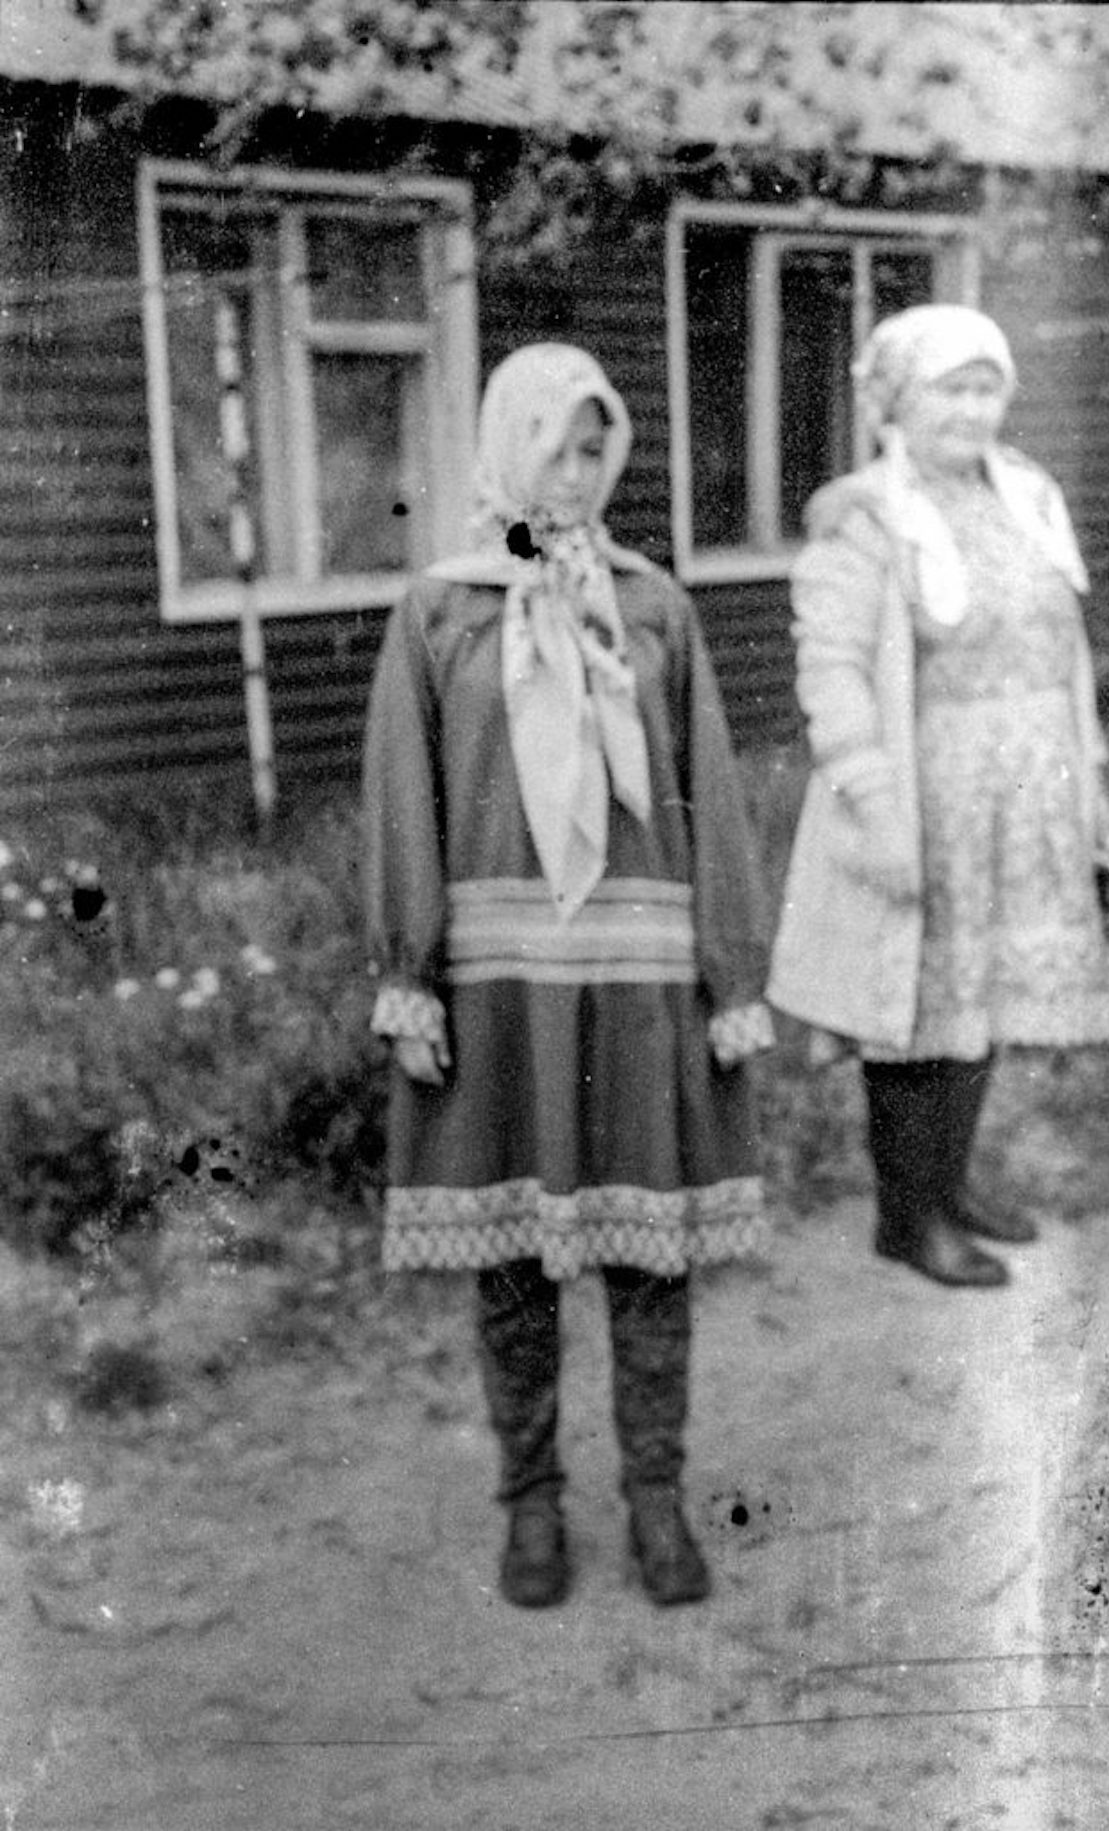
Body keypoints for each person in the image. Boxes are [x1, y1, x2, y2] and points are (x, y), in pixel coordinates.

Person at [362, 342, 774, 1609]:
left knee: (653, 1265)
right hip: (499, 989)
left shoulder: (653, 605)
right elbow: (405, 799)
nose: (580, 470)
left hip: (640, 979)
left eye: (599, 447)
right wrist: (409, 974)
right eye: (558, 443)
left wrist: (732, 972)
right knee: (517, 1271)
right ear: (508, 446)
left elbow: (706, 796)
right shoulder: (439, 608)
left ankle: (656, 1500)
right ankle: (530, 1507)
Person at [767, 304, 1109, 1290]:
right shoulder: (864, 515)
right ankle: (906, 1214)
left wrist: (1087, 782)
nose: (972, 410)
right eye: (949, 389)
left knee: (984, 998)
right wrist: (875, 805)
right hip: (928, 804)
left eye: (986, 387)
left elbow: (1066, 647)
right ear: (898, 399)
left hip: (1027, 796)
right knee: (916, 1006)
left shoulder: (1028, 494)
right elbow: (831, 668)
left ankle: (950, 1186)